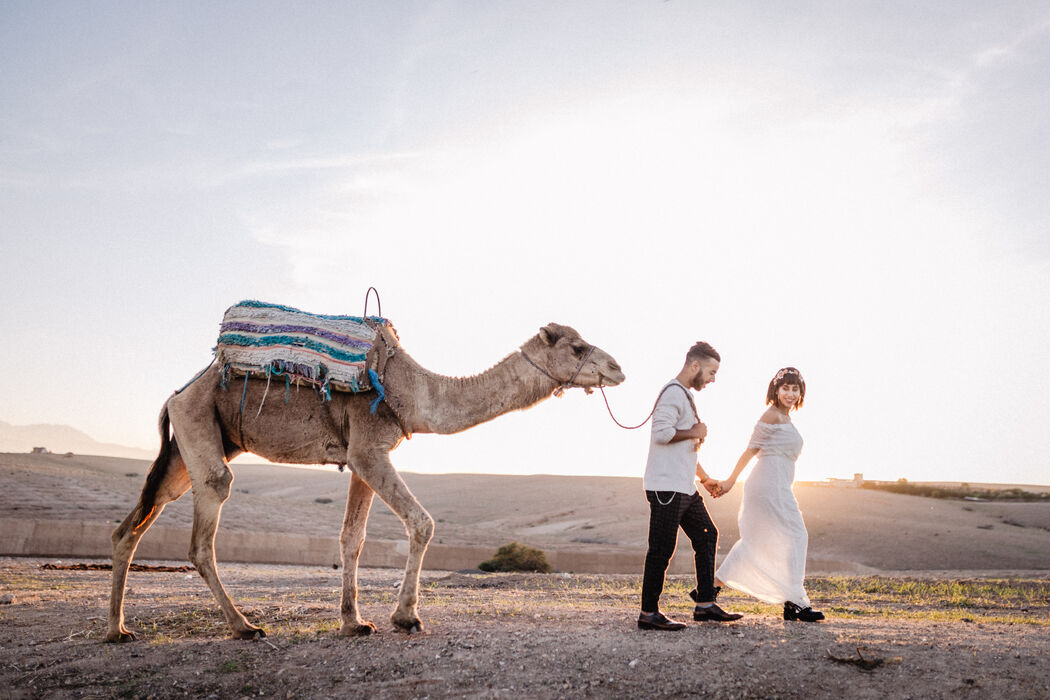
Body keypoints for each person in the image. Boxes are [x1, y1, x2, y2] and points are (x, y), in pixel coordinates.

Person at [637, 341, 743, 631]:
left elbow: (683, 448)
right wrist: (693, 431)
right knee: (661, 548)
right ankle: (648, 613)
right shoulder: (672, 393)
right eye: (710, 371)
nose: (712, 378)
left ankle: (705, 604)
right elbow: (661, 434)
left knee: (707, 535)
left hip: (685, 487)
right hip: (667, 488)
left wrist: (705, 478)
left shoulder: (683, 395)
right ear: (694, 365)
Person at [713, 367, 824, 622]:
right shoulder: (771, 415)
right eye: (785, 388)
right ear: (775, 389)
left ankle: (710, 588)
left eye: (795, 389)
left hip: (778, 484)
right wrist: (731, 480)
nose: (790, 393)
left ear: (801, 392)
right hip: (767, 485)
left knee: (761, 540)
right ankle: (796, 603)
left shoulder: (786, 419)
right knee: (797, 535)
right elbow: (750, 450)